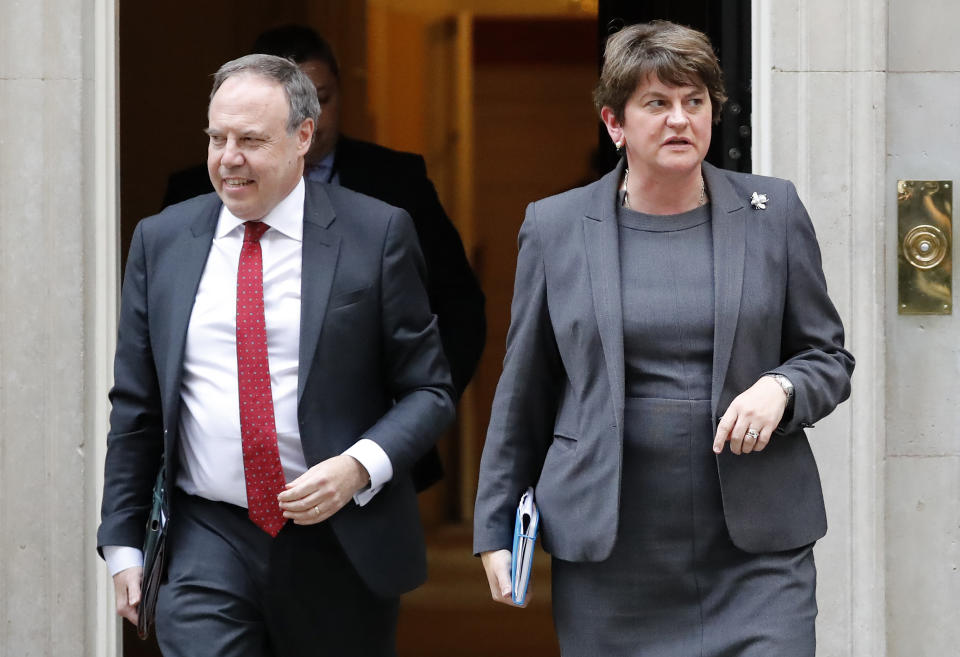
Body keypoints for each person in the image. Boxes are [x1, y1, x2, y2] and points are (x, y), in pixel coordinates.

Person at [473, 21, 855, 656]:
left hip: (756, 553)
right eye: (657, 103)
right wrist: (494, 524)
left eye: (694, 101)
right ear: (614, 123)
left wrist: (782, 388)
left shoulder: (774, 212)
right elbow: (526, 387)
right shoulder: (556, 226)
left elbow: (828, 355)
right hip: (614, 554)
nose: (680, 119)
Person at [98, 54, 455, 656]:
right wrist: (124, 545)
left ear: (303, 137)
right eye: (217, 138)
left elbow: (430, 391)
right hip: (206, 535)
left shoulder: (377, 235)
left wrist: (359, 466)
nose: (228, 158)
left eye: (251, 140)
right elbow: (135, 407)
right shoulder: (161, 242)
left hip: (339, 539)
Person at [164, 24, 486, 402]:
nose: (310, 120)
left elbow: (458, 305)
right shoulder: (195, 195)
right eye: (292, 107)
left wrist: (420, 407)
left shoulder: (398, 184)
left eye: (323, 98)